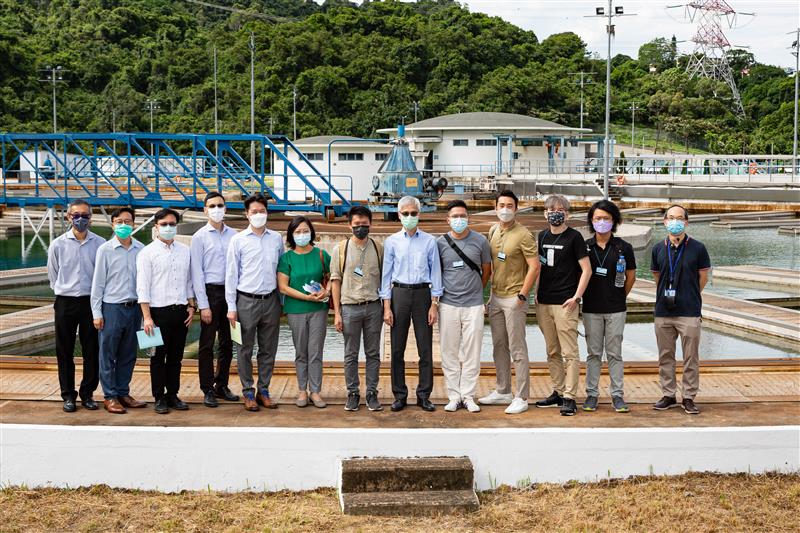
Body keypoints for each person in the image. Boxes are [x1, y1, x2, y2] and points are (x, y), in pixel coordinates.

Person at [479, 190, 539, 415]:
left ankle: (521, 396)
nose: (505, 209)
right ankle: (503, 389)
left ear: (516, 208)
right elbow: (492, 264)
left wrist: (523, 295)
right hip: (496, 297)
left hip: (515, 298)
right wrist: (488, 295)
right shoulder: (493, 230)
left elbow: (534, 266)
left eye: (509, 206)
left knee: (517, 349)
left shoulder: (524, 234)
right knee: (499, 346)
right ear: (495, 207)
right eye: (501, 205)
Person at [380, 196, 443, 412]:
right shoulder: (391, 242)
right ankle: (399, 394)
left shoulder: (430, 241)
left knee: (425, 349)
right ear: (399, 215)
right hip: (399, 294)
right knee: (397, 349)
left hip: (422, 294)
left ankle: (424, 395)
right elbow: (386, 276)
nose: (409, 217)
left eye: (413, 213)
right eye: (405, 213)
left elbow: (436, 273)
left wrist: (434, 303)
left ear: (419, 214)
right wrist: (387, 307)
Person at [225, 193, 284, 412]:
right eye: (254, 212)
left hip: (270, 300)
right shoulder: (238, 240)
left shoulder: (276, 238)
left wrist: (282, 301)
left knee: (268, 349)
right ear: (246, 214)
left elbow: (281, 270)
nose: (258, 215)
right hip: (245, 301)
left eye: (262, 211)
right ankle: (248, 391)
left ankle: (264, 390)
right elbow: (231, 275)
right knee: (244, 349)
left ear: (267, 212)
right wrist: (231, 307)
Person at [534, 194, 591, 417]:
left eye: (560, 209)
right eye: (551, 209)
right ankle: (558, 391)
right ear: (545, 213)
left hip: (565, 302)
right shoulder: (542, 235)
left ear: (567, 213)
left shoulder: (575, 237)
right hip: (544, 301)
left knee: (570, 352)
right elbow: (540, 266)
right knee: (552, 350)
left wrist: (577, 297)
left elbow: (586, 270)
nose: (555, 212)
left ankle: (570, 396)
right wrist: (536, 292)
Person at [651, 205, 711, 415]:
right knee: (665, 355)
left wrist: (689, 293)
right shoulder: (658, 248)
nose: (674, 221)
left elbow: (703, 277)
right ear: (664, 221)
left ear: (686, 222)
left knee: (690, 357)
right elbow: (657, 277)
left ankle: (688, 396)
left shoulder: (698, 248)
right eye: (670, 218)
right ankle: (668, 394)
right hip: (663, 312)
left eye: (679, 218)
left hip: (689, 310)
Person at [47, 199, 104, 412]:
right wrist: (63, 290)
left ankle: (87, 393)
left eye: (85, 215)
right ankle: (68, 395)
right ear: (69, 217)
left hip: (90, 302)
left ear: (91, 218)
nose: (81, 219)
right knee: (64, 350)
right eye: (76, 215)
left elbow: (102, 276)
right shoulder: (58, 244)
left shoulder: (100, 244)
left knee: (92, 350)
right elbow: (53, 275)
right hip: (65, 301)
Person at [136, 208, 196, 415]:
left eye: (172, 224)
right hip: (156, 313)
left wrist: (191, 306)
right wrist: (146, 318)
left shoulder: (184, 250)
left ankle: (173, 394)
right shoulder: (147, 253)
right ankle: (158, 397)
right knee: (156, 357)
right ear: (156, 227)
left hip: (180, 312)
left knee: (176, 357)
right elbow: (142, 287)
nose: (168, 227)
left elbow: (188, 281)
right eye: (164, 224)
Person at [581, 200, 637, 414]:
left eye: (606, 218)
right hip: (591, 308)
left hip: (616, 308)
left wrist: (620, 296)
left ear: (614, 221)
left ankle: (617, 394)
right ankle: (592, 394)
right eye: (597, 218)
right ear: (591, 221)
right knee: (593, 353)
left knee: (615, 353)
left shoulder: (623, 247)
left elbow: (631, 276)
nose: (601, 222)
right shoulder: (585, 246)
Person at [437, 200, 492, 413]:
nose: (459, 220)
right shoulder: (440, 243)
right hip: (448, 304)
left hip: (474, 305)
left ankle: (468, 395)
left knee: (472, 352)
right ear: (448, 219)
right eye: (455, 216)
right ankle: (453, 395)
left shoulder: (480, 241)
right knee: (449, 352)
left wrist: (477, 290)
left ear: (468, 217)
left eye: (463, 216)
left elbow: (486, 271)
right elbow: (437, 273)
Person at [90, 207, 147, 414]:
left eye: (128, 221)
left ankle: (123, 392)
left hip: (134, 308)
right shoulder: (105, 250)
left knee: (128, 354)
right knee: (107, 354)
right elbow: (98, 284)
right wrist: (97, 313)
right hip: (112, 308)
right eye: (120, 221)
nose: (124, 225)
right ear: (113, 224)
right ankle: (110, 395)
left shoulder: (141, 249)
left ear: (134, 223)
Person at [331, 206, 384, 412]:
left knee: (373, 353)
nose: (360, 228)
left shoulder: (379, 248)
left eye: (364, 224)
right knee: (350, 354)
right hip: (350, 307)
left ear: (370, 224)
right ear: (349, 225)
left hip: (373, 307)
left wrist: (386, 308)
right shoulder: (341, 249)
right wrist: (337, 313)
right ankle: (352, 392)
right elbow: (335, 280)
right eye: (356, 225)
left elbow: (384, 280)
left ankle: (372, 392)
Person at [190, 192, 238, 408]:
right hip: (210, 292)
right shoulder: (199, 237)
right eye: (212, 206)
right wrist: (203, 305)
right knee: (207, 345)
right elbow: (196, 273)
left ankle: (222, 384)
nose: (217, 209)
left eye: (220, 205)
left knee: (228, 343)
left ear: (226, 208)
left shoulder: (235, 235)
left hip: (231, 292)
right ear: (205, 209)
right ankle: (207, 388)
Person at [277, 216, 331, 408]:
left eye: (305, 231)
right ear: (292, 235)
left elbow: (332, 277)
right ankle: (302, 390)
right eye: (298, 232)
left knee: (315, 351)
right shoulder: (287, 258)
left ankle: (315, 391)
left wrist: (327, 291)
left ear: (311, 232)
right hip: (296, 309)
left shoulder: (321, 255)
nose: (302, 235)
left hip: (319, 309)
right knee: (301, 352)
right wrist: (305, 297)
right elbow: (283, 287)